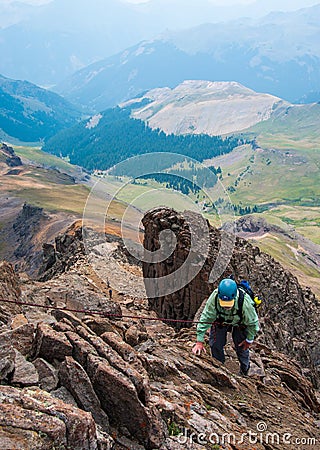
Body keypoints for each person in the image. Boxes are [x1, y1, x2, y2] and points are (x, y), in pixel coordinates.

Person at [192, 278, 259, 376]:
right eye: (224, 304)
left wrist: (249, 340)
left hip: (240, 324)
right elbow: (205, 318)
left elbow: (253, 323)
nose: (226, 307)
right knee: (215, 344)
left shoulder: (245, 303)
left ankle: (245, 370)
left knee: (242, 347)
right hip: (220, 321)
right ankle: (219, 367)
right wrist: (199, 342)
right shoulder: (214, 298)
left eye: (228, 305)